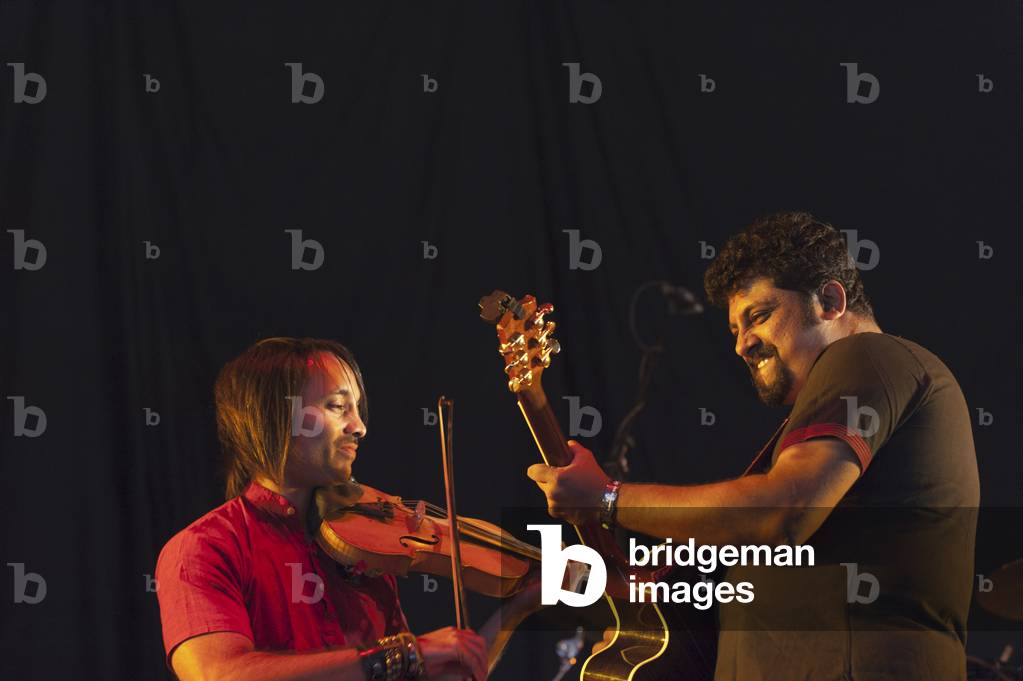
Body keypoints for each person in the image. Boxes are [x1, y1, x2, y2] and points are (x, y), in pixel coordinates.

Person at [526, 211, 980, 680]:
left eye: (758, 316)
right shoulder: (856, 398)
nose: (742, 345)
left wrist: (606, 498)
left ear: (829, 301)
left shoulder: (869, 355)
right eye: (734, 330)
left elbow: (782, 511)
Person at [156, 337, 540, 681]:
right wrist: (404, 653)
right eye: (337, 406)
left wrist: (516, 608)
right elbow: (218, 674)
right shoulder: (205, 548)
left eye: (356, 409)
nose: (359, 427)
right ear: (274, 415)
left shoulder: (363, 546)